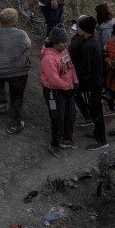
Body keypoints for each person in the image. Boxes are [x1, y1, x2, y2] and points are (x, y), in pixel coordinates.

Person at [0, 8, 31, 135]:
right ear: (15, 20)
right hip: (19, 72)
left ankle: (1, 104)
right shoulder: (21, 34)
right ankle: (15, 123)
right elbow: (28, 46)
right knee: (17, 97)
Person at [69, 15, 108, 151]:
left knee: (95, 110)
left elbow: (86, 68)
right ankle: (97, 133)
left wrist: (81, 81)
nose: (77, 29)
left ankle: (102, 140)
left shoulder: (87, 45)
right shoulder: (94, 39)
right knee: (95, 109)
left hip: (92, 83)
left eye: (79, 27)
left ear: (83, 30)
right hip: (96, 81)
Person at [40, 26, 77, 158]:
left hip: (67, 90)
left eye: (66, 42)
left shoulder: (64, 51)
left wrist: (75, 82)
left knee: (70, 114)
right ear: (55, 43)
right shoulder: (49, 59)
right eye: (63, 42)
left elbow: (70, 67)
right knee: (57, 118)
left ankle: (67, 139)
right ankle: (54, 145)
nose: (66, 44)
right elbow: (54, 80)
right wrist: (69, 87)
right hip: (54, 93)